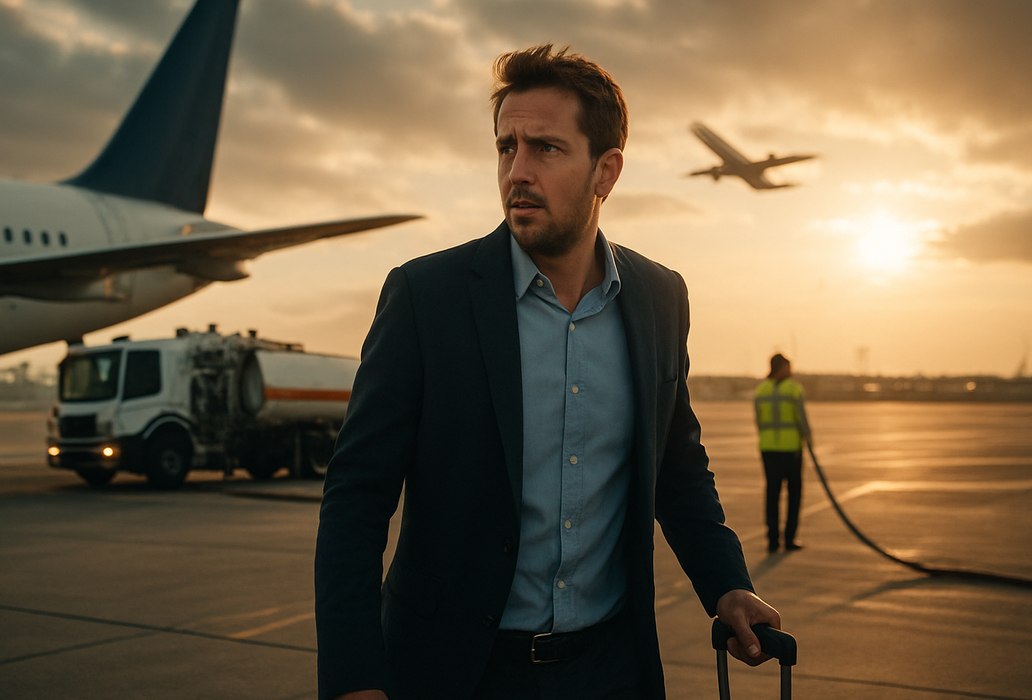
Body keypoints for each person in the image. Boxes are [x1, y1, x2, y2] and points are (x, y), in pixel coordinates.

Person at [314, 45, 781, 700]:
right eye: (507, 148)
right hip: (455, 673)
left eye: (546, 149)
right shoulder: (427, 297)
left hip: (611, 670)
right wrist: (354, 679)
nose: (517, 172)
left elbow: (676, 466)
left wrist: (727, 585)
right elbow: (356, 498)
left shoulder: (659, 297)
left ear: (605, 171)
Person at [753, 354, 811, 553]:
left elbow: (758, 420)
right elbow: (801, 418)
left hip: (768, 448)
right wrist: (808, 438)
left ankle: (772, 540)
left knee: (772, 494)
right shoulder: (794, 389)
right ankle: (789, 539)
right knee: (794, 494)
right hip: (791, 449)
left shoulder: (761, 390)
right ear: (782, 367)